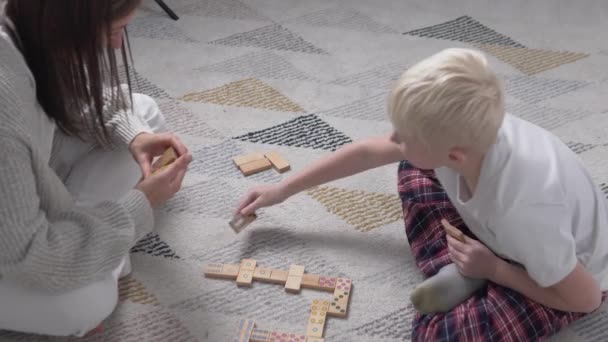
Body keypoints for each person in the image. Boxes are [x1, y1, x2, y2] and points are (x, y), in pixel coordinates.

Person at [235, 48, 608, 340]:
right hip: (510, 233)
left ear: (454, 155)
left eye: (402, 134)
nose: (393, 138)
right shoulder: (467, 132)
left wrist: (496, 269)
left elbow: (586, 299)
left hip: (566, 279)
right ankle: (470, 266)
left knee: (436, 333)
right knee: (412, 167)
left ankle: (476, 270)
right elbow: (369, 151)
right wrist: (282, 189)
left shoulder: (525, 208)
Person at [0, 0, 192, 337]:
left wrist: (135, 137)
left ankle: (91, 242)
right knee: (86, 303)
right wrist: (138, 208)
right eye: (115, 30)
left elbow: (70, 105)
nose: (116, 44)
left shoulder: (25, 28)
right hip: (16, 251)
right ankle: (94, 247)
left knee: (141, 114)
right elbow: (30, 255)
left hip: (24, 187)